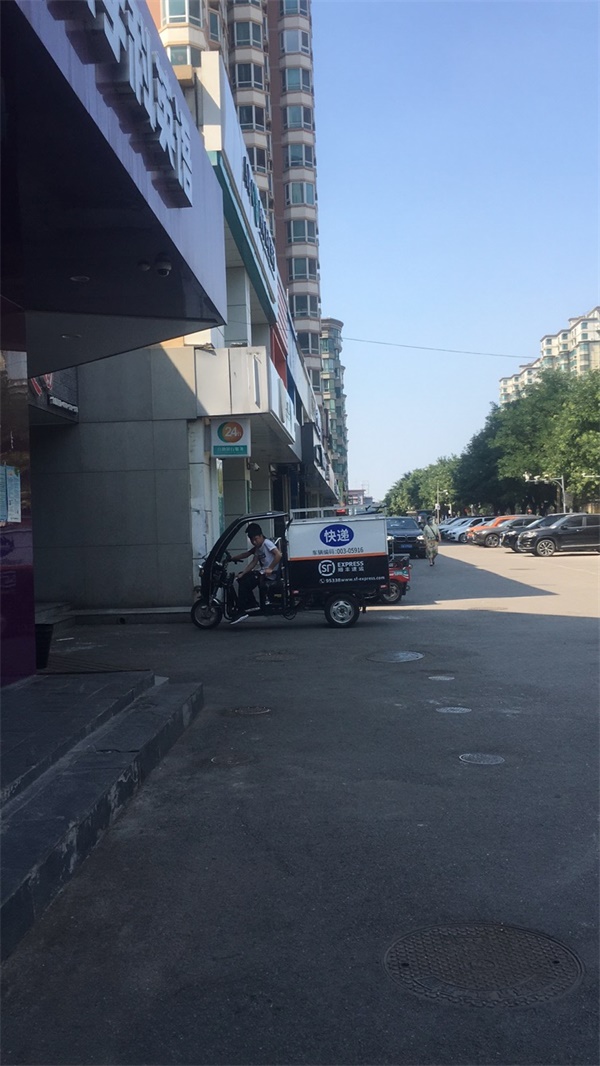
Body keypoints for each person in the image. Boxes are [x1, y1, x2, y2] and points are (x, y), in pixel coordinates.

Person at [229, 523, 282, 624]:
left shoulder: (267, 543)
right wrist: (243, 573)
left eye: (256, 539)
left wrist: (270, 568)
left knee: (245, 583)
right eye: (252, 540)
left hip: (269, 575)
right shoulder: (258, 547)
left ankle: (241, 610)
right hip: (262, 573)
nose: (254, 542)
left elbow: (278, 554)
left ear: (261, 536)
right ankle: (252, 604)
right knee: (242, 579)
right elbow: (253, 562)